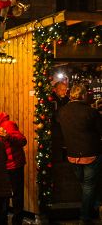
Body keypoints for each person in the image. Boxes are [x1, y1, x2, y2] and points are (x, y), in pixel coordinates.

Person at [57, 83, 102, 224]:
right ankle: (85, 215)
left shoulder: (62, 111)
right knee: (89, 186)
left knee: (86, 185)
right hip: (90, 154)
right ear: (83, 95)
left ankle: (95, 205)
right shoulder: (90, 112)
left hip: (72, 155)